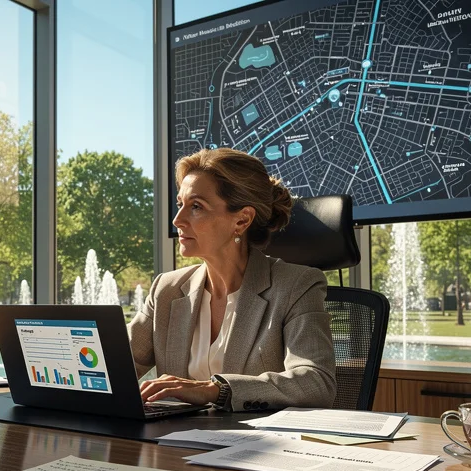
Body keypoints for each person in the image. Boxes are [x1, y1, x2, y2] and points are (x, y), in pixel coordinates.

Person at [128, 148, 336, 411]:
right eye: (181, 204)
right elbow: (114, 367)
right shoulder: (166, 290)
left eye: (196, 207)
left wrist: (216, 389)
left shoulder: (296, 286)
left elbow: (316, 383)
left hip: (256, 446)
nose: (177, 220)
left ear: (242, 220)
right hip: (174, 444)